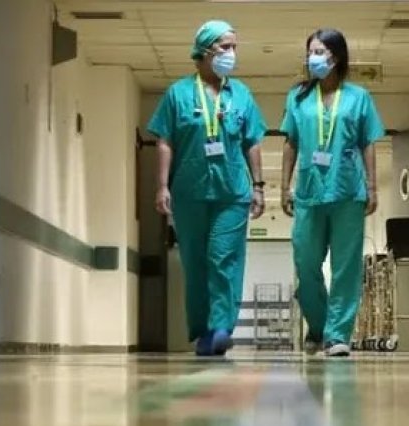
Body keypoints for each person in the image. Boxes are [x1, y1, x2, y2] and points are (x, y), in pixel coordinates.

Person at [148, 20, 267, 357]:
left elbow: (253, 142)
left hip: (232, 192)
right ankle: (202, 331)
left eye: (234, 47)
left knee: (223, 257)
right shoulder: (178, 93)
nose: (231, 53)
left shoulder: (240, 94)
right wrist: (162, 186)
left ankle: (220, 327)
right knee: (196, 262)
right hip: (189, 191)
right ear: (203, 51)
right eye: (224, 46)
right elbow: (165, 141)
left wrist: (258, 187)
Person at [280, 28, 385, 358]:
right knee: (306, 263)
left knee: (345, 268)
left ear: (336, 57)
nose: (313, 58)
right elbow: (290, 142)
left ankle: (337, 335)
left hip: (347, 190)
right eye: (310, 52)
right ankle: (320, 322)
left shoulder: (358, 97)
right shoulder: (297, 97)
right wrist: (284, 186)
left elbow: (368, 142)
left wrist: (371, 185)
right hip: (309, 192)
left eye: (320, 52)